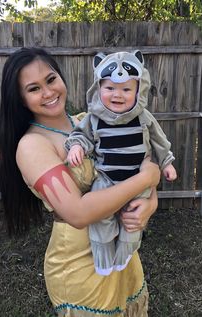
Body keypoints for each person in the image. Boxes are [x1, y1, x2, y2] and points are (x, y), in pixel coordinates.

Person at [0, 47, 160, 317]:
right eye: (33, 88)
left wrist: (151, 202)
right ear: (21, 99)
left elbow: (134, 161)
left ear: (61, 77)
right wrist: (148, 177)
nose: (48, 93)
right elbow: (79, 213)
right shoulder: (32, 145)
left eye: (51, 80)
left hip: (120, 247)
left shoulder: (88, 121)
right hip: (79, 262)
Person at [65, 50, 177, 276]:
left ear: (139, 90)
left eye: (126, 89)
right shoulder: (93, 118)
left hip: (138, 178)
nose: (118, 95)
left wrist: (167, 162)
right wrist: (76, 147)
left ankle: (126, 251)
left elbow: (159, 140)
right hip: (106, 178)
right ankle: (103, 253)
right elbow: (81, 135)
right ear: (98, 89)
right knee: (100, 217)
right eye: (109, 88)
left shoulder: (143, 117)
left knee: (132, 219)